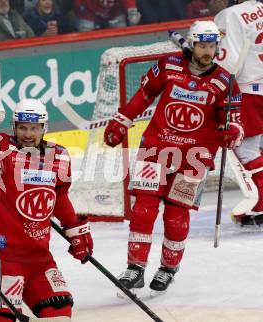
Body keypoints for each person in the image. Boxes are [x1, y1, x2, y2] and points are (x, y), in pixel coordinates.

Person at [103, 20, 244, 295]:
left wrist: (232, 133)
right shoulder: (168, 65)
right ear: (192, 44)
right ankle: (135, 268)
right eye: (202, 45)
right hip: (155, 149)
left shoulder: (225, 82)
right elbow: (145, 94)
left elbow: (236, 124)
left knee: (176, 216)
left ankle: (168, 268)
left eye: (212, 46)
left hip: (194, 158)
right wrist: (123, 119)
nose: (207, 51)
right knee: (143, 209)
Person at [0, 98, 94, 321]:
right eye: (22, 127)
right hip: (2, 257)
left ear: (44, 128)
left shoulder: (58, 156)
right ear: (14, 128)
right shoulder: (0, 147)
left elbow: (58, 196)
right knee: (1, 318)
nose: (28, 134)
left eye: (34, 128)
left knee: (60, 311)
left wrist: (74, 228)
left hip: (39, 258)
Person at [215, 0, 263, 226]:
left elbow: (227, 63)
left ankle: (262, 203)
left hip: (248, 90)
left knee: (247, 151)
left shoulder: (230, 15)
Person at [73, 0, 141, 32]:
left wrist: (132, 17)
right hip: (89, 15)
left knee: (121, 35)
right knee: (85, 34)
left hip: (115, 14)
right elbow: (79, 10)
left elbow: (130, 6)